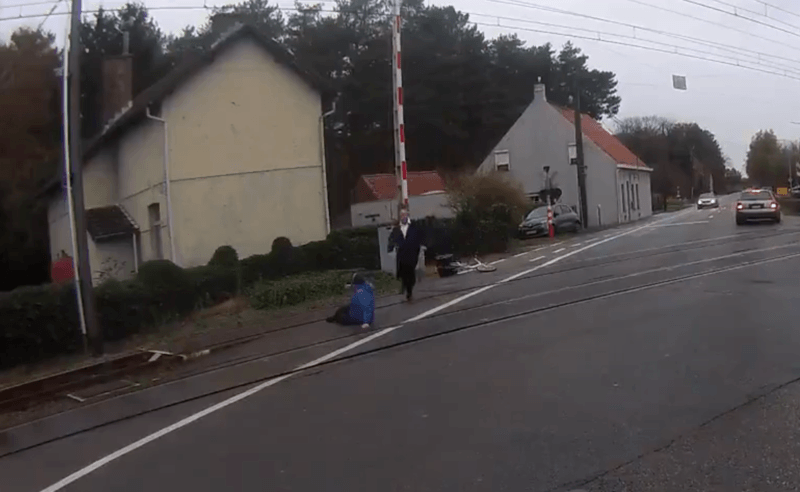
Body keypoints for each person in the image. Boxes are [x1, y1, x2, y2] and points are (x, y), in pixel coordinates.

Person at [388, 207, 424, 302]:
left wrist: (417, 251)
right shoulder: (396, 229)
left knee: (411, 274)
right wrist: (391, 248)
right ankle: (407, 289)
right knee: (404, 274)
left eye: (405, 215)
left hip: (411, 255)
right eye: (401, 215)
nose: (403, 217)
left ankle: (409, 290)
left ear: (407, 216)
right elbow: (391, 241)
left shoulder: (413, 227)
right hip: (402, 256)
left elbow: (417, 240)